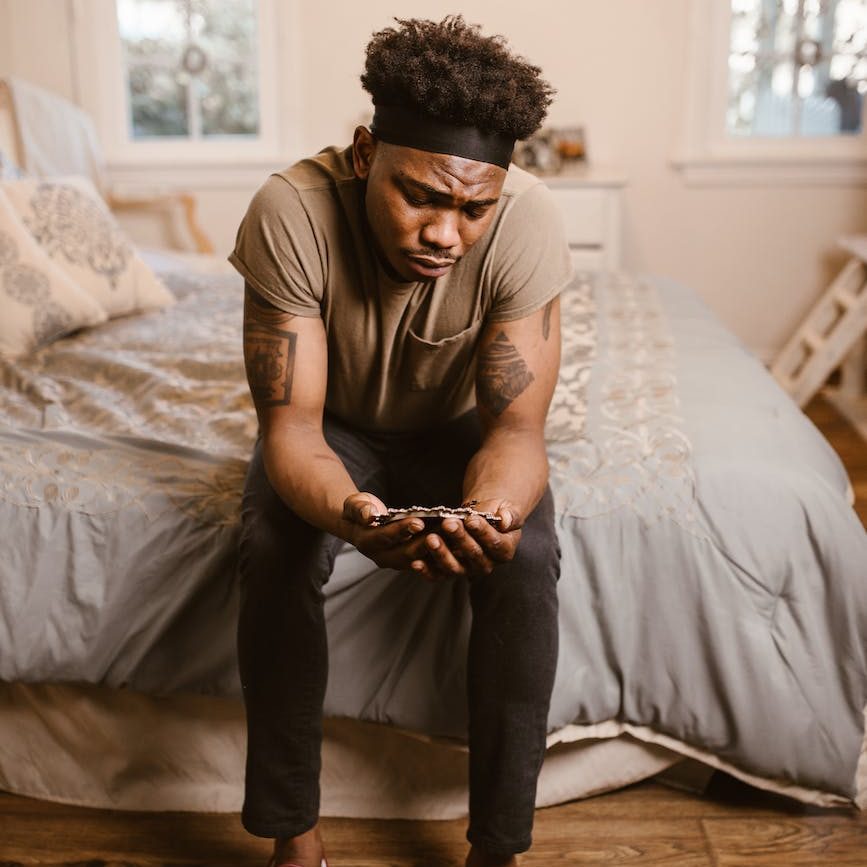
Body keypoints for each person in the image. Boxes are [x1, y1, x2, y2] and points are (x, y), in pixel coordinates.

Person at [229, 15, 572, 867]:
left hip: (455, 428)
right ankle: (292, 832)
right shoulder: (290, 212)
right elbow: (291, 427)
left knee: (525, 552)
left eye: (472, 209)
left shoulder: (528, 222)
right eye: (420, 196)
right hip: (331, 428)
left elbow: (516, 430)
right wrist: (349, 513)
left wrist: (491, 514)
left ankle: (498, 846)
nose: (445, 234)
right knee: (272, 542)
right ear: (363, 155)